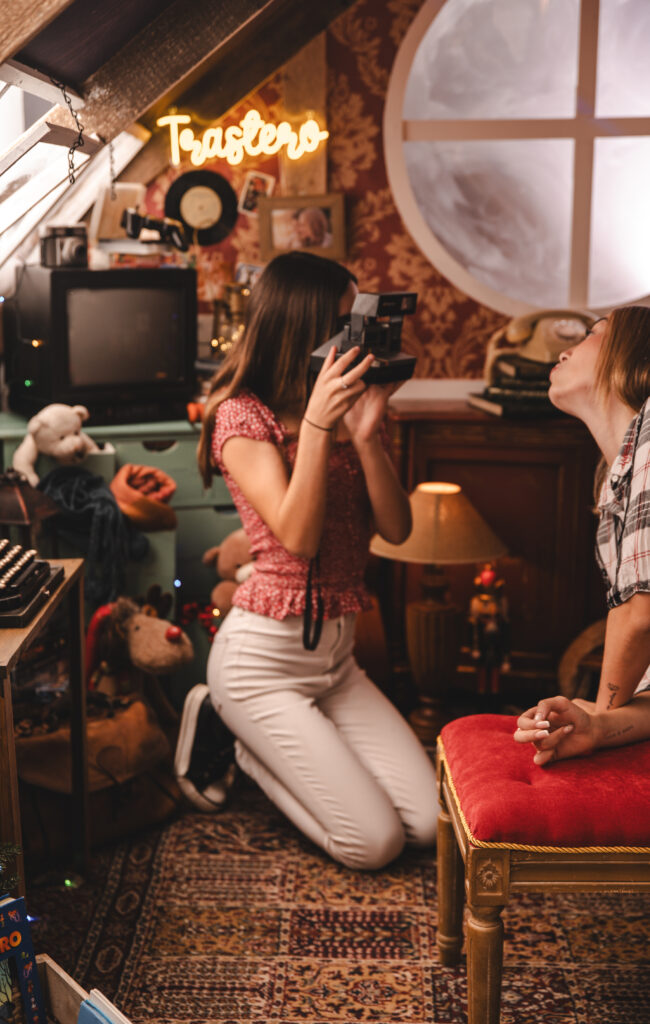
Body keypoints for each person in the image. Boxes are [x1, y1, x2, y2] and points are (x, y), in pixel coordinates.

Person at [182, 250, 438, 870]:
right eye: (352, 323)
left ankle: (274, 743)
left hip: (336, 666)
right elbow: (298, 537)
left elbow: (397, 530)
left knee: (428, 825)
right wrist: (320, 427)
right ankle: (241, 740)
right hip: (261, 666)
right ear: (310, 326)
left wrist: (366, 433)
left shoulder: (347, 410)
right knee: (372, 844)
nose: (366, 340)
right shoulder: (244, 417)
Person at [514, 307, 650, 765]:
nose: (564, 349)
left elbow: (640, 614)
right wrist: (594, 724)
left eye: (594, 334)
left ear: (632, 356)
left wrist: (602, 713)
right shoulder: (610, 480)